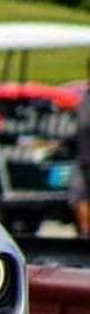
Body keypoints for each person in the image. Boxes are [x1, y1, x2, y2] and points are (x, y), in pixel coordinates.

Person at [70, 86, 90, 239]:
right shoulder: (85, 98)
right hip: (82, 158)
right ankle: (85, 233)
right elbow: (78, 129)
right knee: (78, 196)